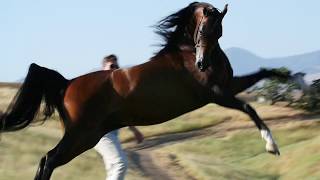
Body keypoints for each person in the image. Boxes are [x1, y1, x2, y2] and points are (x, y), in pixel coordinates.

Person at [94, 54, 144, 180]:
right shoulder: (97, 86)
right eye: (111, 66)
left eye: (116, 66)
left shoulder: (116, 88)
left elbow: (123, 112)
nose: (115, 68)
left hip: (112, 134)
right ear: (103, 68)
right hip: (101, 134)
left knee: (112, 169)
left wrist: (135, 130)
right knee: (120, 164)